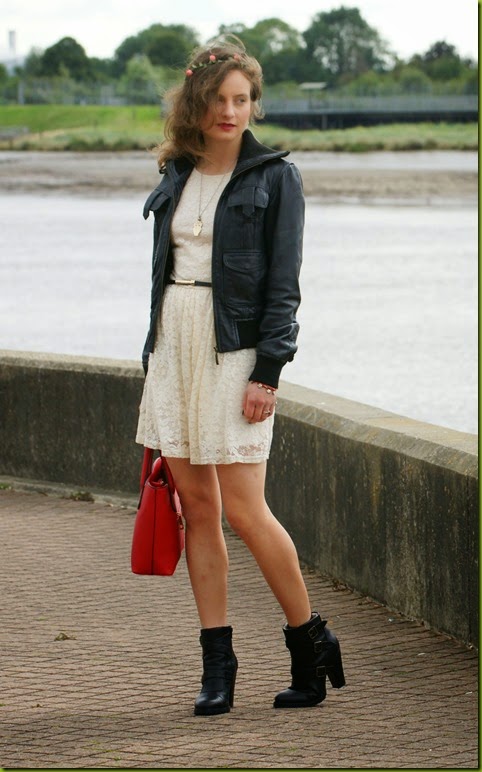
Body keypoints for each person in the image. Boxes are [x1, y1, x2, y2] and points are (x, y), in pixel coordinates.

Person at [136, 36, 345, 716]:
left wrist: (270, 371)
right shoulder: (176, 170)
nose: (231, 111)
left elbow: (283, 288)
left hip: (237, 352)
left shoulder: (274, 176)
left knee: (247, 511)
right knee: (198, 509)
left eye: (242, 99)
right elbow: (163, 274)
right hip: (177, 343)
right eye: (220, 100)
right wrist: (155, 355)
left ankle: (309, 647)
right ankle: (217, 668)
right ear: (196, 104)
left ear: (253, 103)